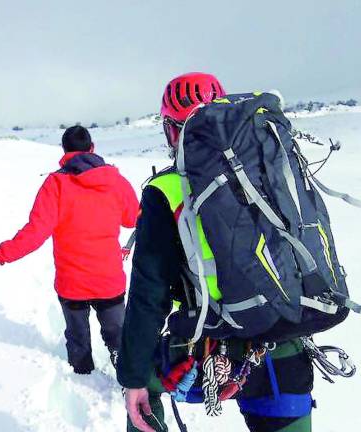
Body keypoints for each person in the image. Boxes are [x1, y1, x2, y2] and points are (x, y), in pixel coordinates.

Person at [117, 73, 314, 432]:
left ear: (172, 131)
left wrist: (132, 376)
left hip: (205, 352)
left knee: (144, 385)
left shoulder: (167, 191)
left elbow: (149, 296)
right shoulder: (269, 170)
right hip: (283, 346)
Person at [0, 125, 140, 374]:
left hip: (72, 283)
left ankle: (83, 377)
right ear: (92, 148)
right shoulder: (115, 181)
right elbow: (132, 219)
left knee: (78, 339)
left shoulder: (56, 184)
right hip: (109, 279)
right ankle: (128, 378)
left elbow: (35, 232)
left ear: (64, 151)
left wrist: (1, 253)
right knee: (119, 337)